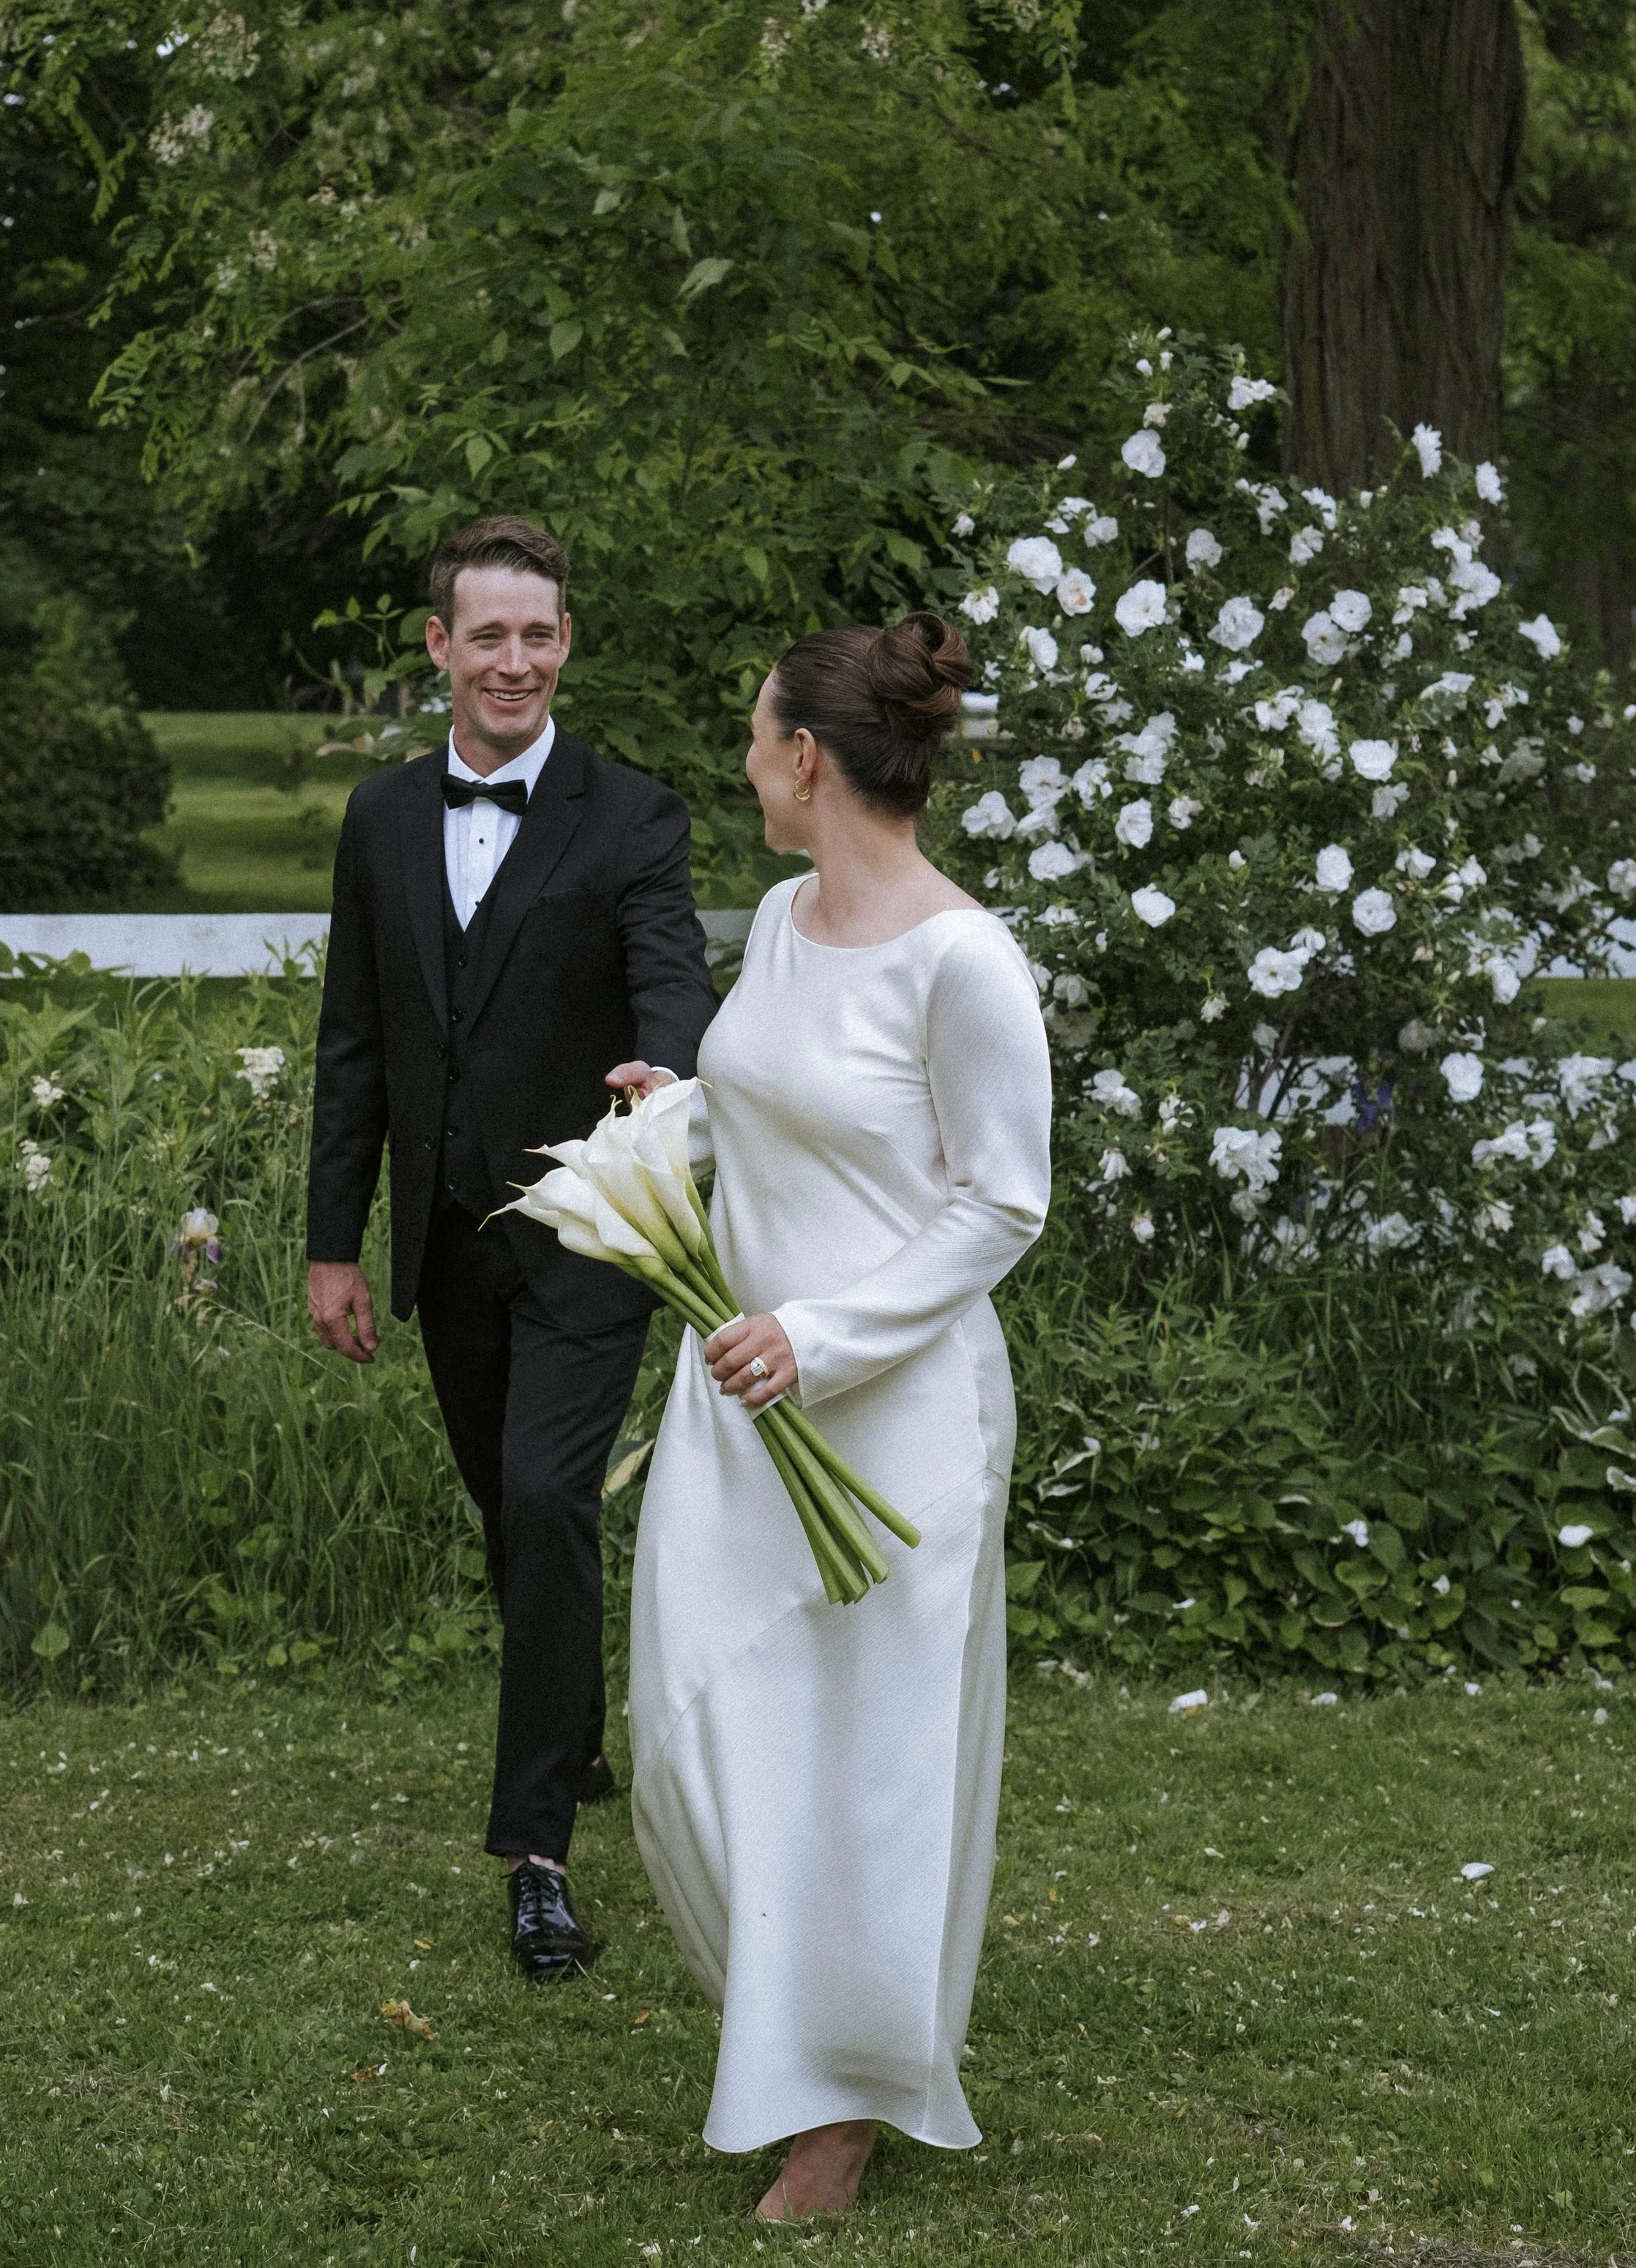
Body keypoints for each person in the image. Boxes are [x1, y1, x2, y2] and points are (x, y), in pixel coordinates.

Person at [622, 613, 1051, 2219]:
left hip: (893, 1411)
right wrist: (669, 1125)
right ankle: (796, 2026)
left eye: (753, 738)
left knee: (868, 1757)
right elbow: (785, 1107)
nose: (742, 765)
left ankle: (842, 2101)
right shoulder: (787, 920)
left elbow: (1001, 1201)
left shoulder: (963, 960)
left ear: (808, 758)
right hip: (740, 1392)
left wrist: (819, 1338)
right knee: (710, 1710)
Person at [305, 514, 717, 1982]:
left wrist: (663, 1074)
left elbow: (670, 971)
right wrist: (330, 1245)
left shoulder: (632, 817)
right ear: (438, 647)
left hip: (587, 1230)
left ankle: (535, 1850)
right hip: (442, 1245)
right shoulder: (378, 819)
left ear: (564, 647)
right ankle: (570, 1728)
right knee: (509, 1509)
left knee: (548, 1500)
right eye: (487, 634)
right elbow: (352, 1043)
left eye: (537, 635)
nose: (514, 661)